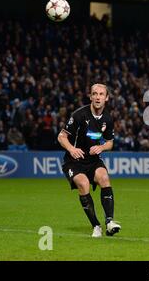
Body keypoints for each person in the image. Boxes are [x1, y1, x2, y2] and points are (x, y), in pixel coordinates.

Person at [57, 84, 121, 237]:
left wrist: (102, 148)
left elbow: (110, 143)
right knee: (83, 184)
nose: (98, 97)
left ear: (106, 98)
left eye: (101, 94)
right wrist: (72, 149)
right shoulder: (79, 115)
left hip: (93, 160)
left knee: (104, 178)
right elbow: (61, 136)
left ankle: (110, 222)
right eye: (95, 94)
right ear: (90, 97)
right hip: (74, 160)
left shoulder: (107, 119)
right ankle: (96, 226)